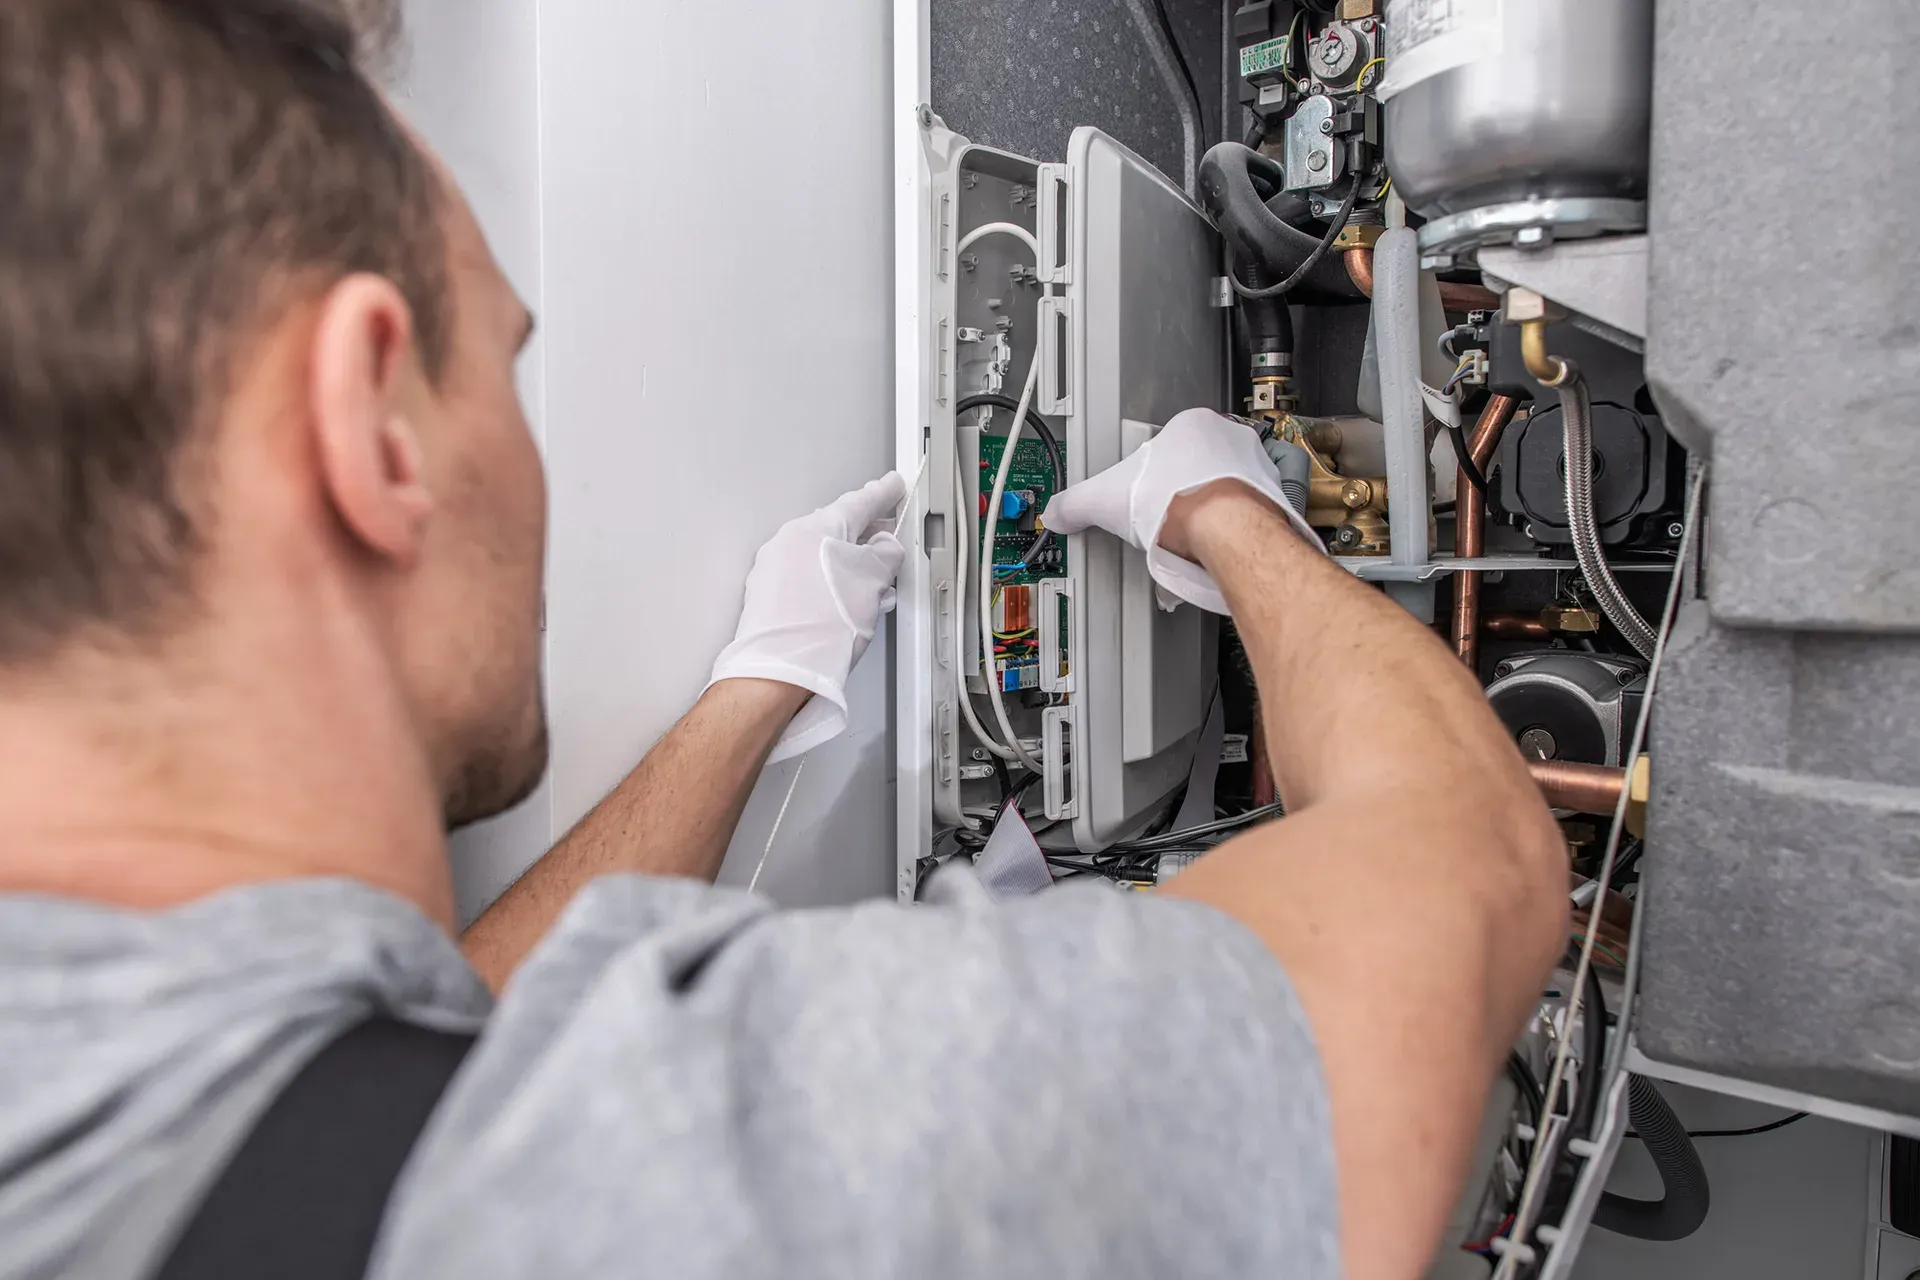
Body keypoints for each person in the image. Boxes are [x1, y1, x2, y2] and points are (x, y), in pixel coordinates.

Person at [0, 3, 1569, 1279]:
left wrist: (764, 686)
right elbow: (1474, 863)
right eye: (507, 368)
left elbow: (411, 1050)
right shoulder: (670, 1202)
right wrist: (1235, 522)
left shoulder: (112, 1095)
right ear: (369, 424)